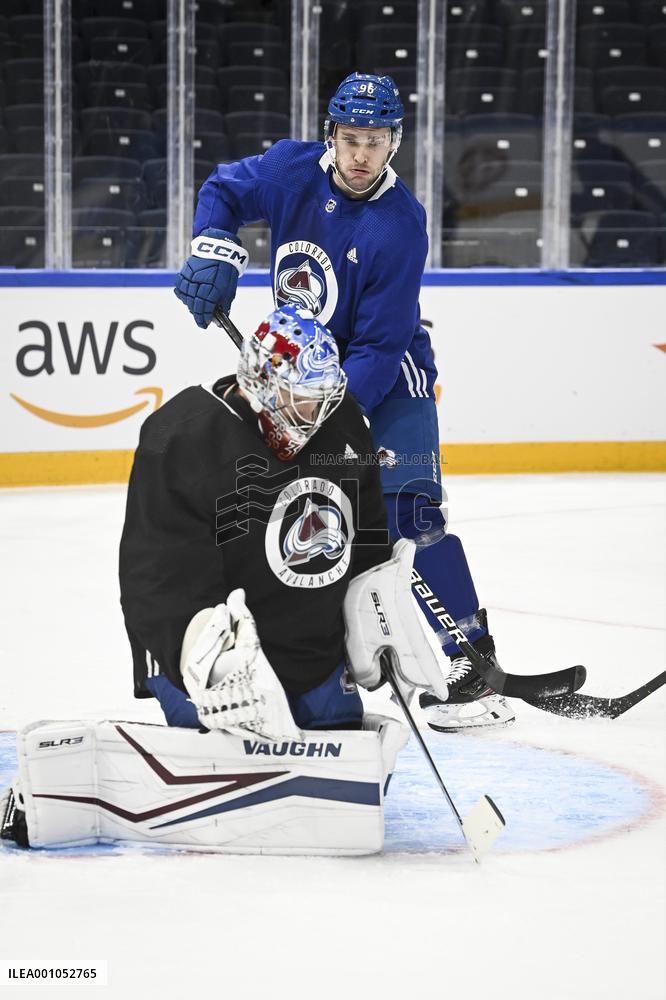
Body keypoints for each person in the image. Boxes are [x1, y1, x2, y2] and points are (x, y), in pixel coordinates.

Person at [174, 72, 514, 732]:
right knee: (305, 522)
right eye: (351, 139)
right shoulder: (287, 171)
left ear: (395, 145)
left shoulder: (401, 225)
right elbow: (220, 188)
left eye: (377, 142)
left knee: (410, 514)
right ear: (332, 135)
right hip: (291, 376)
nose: (362, 156)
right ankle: (314, 670)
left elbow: (380, 351)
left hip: (386, 380)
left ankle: (471, 661)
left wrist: (320, 415)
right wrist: (215, 249)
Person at [119, 303, 397, 735]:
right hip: (205, 655)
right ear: (261, 385)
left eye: (322, 398)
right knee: (228, 771)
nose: (315, 414)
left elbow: (368, 537)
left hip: (314, 656)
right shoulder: (178, 438)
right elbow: (154, 579)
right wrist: (211, 662)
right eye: (301, 401)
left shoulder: (340, 422)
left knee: (338, 757)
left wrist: (381, 616)